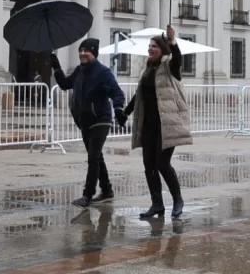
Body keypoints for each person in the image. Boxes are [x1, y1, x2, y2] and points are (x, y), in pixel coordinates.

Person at [117, 26, 192, 219]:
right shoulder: (147, 68)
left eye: (154, 46)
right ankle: (157, 204)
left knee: (162, 163)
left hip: (167, 124)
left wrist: (173, 41)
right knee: (149, 165)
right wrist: (126, 112)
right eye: (149, 46)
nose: (150, 49)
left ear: (163, 49)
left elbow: (178, 60)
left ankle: (177, 199)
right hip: (148, 124)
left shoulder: (169, 66)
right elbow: (139, 95)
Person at [49, 38, 126, 208]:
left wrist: (119, 109)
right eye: (81, 50)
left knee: (93, 157)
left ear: (94, 53)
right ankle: (107, 191)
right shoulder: (79, 71)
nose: (83, 53)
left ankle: (87, 194)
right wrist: (56, 67)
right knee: (97, 156)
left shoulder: (103, 72)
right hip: (84, 120)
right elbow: (64, 85)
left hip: (101, 119)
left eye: (87, 51)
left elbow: (117, 92)